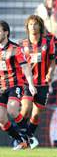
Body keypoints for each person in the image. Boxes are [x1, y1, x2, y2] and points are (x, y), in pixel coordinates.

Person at [0, 20, 37, 150]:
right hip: (0, 87)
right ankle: (20, 141)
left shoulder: (16, 49)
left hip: (15, 84)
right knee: (0, 116)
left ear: (6, 33)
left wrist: (31, 84)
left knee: (12, 109)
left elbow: (26, 67)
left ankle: (29, 135)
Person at [18, 15, 56, 149]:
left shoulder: (48, 42)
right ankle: (20, 138)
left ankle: (26, 140)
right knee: (26, 109)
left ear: (40, 26)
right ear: (27, 27)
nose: (33, 27)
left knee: (35, 114)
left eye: (35, 24)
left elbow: (52, 61)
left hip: (43, 84)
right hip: (27, 83)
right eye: (30, 25)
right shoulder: (22, 44)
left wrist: (50, 73)